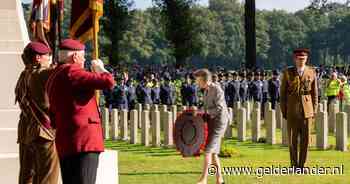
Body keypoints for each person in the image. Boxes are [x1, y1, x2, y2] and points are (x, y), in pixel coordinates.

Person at [46, 39, 115, 184]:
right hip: (83, 140)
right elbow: (109, 82)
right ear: (75, 57)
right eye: (83, 57)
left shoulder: (53, 75)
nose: (84, 60)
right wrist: (100, 68)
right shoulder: (72, 71)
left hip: (66, 140)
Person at [15, 41, 60, 184]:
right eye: (47, 55)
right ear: (38, 58)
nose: (49, 58)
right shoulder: (42, 73)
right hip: (44, 131)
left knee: (27, 175)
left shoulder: (24, 74)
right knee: (48, 178)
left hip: (27, 130)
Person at [280, 48, 318, 169]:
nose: (301, 61)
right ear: (295, 59)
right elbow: (283, 94)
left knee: (305, 140)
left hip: (307, 111)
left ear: (306, 59)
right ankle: (294, 165)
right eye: (299, 59)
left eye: (303, 59)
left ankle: (303, 165)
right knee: (293, 140)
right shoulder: (288, 72)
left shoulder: (311, 72)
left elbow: (315, 94)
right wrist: (284, 111)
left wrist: (314, 110)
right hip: (292, 110)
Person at [193, 69, 228, 184]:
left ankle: (204, 180)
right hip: (212, 121)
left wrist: (204, 112)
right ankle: (220, 179)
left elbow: (219, 108)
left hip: (219, 123)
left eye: (198, 81)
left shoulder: (217, 89)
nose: (197, 83)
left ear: (205, 80)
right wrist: (199, 112)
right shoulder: (206, 91)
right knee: (213, 153)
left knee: (207, 150)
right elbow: (206, 108)